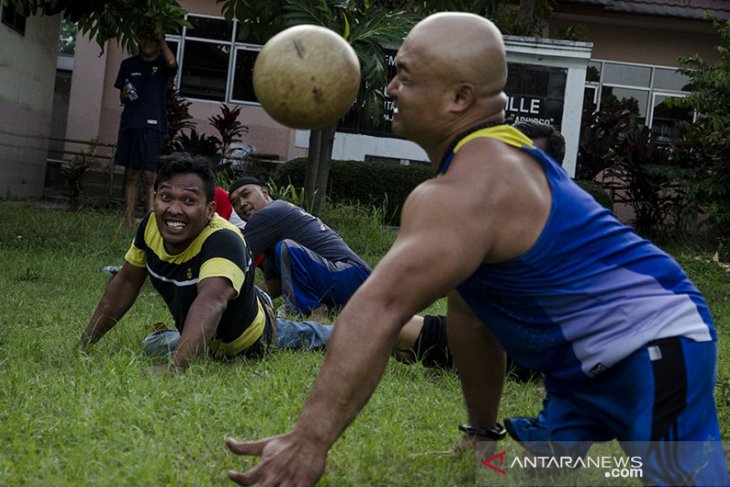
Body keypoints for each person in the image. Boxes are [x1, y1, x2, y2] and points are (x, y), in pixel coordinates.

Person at [225, 12, 728, 487]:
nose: (390, 87)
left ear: (459, 97)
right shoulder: (496, 154)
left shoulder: (467, 190)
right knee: (527, 475)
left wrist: (310, 440)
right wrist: (482, 432)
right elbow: (471, 318)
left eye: (405, 76)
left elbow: (376, 310)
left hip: (657, 347)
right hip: (580, 371)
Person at [77, 153, 333, 372]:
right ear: (154, 199)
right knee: (151, 345)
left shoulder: (223, 239)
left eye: (188, 201)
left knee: (314, 336)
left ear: (210, 210)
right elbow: (126, 281)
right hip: (206, 334)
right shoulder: (151, 226)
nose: (175, 210)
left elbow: (212, 300)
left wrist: (175, 368)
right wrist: (82, 346)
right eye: (166, 197)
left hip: (251, 336)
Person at [228, 176, 372, 317]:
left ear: (265, 193)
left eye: (246, 194)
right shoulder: (277, 218)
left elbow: (236, 258)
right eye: (235, 202)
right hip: (358, 282)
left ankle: (310, 312)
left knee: (287, 247)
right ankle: (326, 307)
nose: (242, 204)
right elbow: (275, 285)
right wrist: (238, 302)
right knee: (285, 250)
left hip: (351, 274)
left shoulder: (267, 215)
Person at [114, 27, 177, 229]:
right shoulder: (128, 64)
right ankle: (128, 219)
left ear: (158, 42)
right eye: (144, 38)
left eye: (152, 39)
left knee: (150, 174)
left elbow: (172, 63)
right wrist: (125, 95)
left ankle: (150, 219)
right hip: (131, 123)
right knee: (131, 172)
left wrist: (161, 38)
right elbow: (122, 97)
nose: (147, 42)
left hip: (153, 125)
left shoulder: (162, 65)